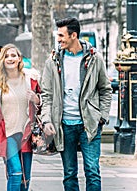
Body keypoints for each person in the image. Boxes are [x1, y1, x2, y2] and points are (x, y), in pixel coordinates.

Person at [40, 17, 112, 191]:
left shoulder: (95, 60)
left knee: (92, 171)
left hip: (89, 125)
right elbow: (47, 95)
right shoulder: (53, 61)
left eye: (61, 35)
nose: (58, 39)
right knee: (69, 174)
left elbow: (105, 90)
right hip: (64, 126)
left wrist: (101, 117)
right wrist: (47, 120)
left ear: (74, 35)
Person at [0, 43, 42, 191]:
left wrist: (37, 100)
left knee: (25, 179)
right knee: (15, 173)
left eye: (13, 55)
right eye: (6, 56)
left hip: (27, 134)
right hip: (6, 135)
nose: (10, 58)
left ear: (19, 59)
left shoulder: (31, 80)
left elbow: (44, 105)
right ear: (1, 60)